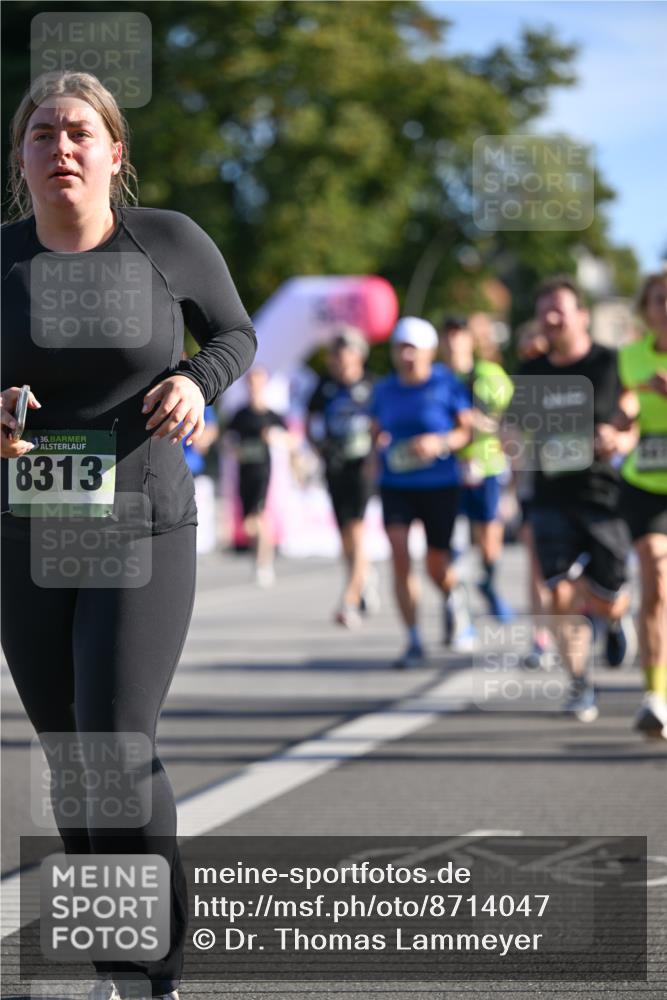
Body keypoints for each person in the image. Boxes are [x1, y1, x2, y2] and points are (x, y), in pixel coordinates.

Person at [0, 72, 256, 1000]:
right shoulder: (1, 261)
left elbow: (235, 333)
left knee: (113, 742)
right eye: (40, 135)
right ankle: (116, 968)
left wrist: (197, 380)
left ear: (114, 152)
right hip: (27, 532)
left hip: (141, 524)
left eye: (78, 132)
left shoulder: (170, 244)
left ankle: (158, 978)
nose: (59, 148)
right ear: (20, 159)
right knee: (72, 761)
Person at [516, 276, 636, 721]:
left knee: (609, 595)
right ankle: (581, 684)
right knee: (558, 593)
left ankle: (616, 618)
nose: (550, 318)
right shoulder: (531, 371)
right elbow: (518, 435)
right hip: (550, 498)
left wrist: (619, 440)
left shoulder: (611, 363)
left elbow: (633, 419)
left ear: (581, 316)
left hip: (604, 497)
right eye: (543, 310)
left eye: (559, 309)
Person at [371, 317, 472, 668]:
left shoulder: (447, 384)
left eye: (414, 349)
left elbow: (465, 433)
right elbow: (375, 431)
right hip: (396, 484)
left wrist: (440, 441)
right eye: (401, 348)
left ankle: (452, 597)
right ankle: (413, 639)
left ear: (429, 352)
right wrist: (375, 456)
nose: (408, 356)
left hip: (439, 484)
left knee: (436, 565)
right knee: (399, 556)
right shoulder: (384, 389)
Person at [617, 271, 667, 738]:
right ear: (646, 310)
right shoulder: (630, 358)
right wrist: (626, 413)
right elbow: (624, 405)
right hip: (645, 484)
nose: (666, 308)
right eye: (659, 300)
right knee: (655, 579)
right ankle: (656, 696)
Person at [439, 314, 515, 624]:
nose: (453, 341)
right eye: (447, 335)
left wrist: (477, 423)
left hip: (485, 466)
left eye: (459, 334)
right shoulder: (437, 378)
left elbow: (506, 419)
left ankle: (489, 584)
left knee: (487, 535)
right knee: (448, 538)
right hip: (447, 469)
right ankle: (453, 601)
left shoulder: (489, 375)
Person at [306, 327, 377, 627]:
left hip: (363, 466)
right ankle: (364, 578)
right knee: (345, 535)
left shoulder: (372, 386)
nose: (338, 360)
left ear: (358, 355)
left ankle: (349, 599)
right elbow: (310, 422)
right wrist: (319, 448)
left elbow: (382, 425)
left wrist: (376, 455)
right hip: (335, 466)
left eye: (344, 353)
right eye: (335, 354)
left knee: (357, 529)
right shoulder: (324, 387)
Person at [226, 367, 288, 587]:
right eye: (251, 382)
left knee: (259, 518)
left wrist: (275, 438)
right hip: (244, 472)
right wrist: (234, 449)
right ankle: (259, 559)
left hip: (263, 471)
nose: (254, 386)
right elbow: (228, 441)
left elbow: (291, 440)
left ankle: (264, 563)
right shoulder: (240, 414)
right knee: (249, 523)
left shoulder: (271, 415)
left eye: (258, 381)